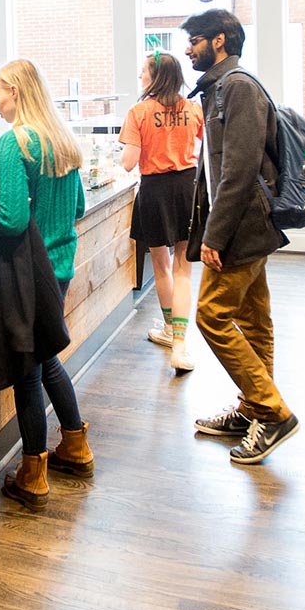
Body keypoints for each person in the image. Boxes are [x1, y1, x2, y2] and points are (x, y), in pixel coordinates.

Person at [183, 9, 300, 466]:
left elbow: (238, 171)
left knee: (211, 316)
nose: (189, 47)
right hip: (245, 225)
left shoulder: (238, 87)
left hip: (241, 227)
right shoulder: (219, 88)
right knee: (253, 320)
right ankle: (255, 407)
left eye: (195, 39)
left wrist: (215, 235)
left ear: (219, 41)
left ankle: (271, 412)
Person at [0, 59, 94, 509]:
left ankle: (33, 474)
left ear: (15, 91)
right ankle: (75, 446)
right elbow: (78, 207)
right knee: (48, 357)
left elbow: (12, 220)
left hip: (31, 271)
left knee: (27, 372)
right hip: (62, 265)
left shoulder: (15, 142)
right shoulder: (63, 139)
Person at [120, 50, 203, 373]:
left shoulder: (138, 112)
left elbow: (128, 163)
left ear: (155, 77)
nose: (140, 76)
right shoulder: (193, 109)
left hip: (154, 190)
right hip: (187, 187)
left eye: (143, 71)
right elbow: (206, 147)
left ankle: (170, 330)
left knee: (162, 266)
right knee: (183, 266)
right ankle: (179, 342)